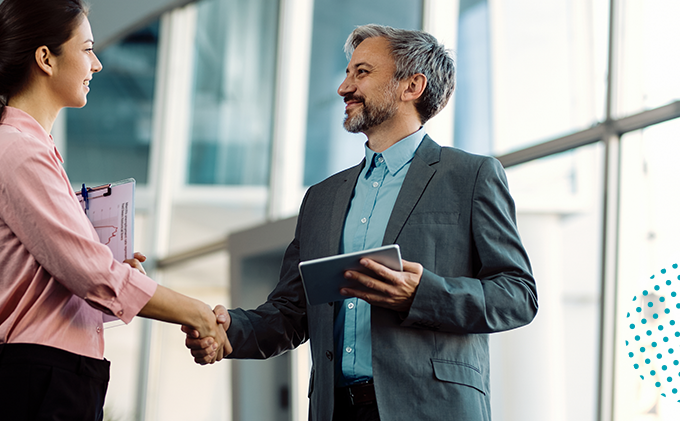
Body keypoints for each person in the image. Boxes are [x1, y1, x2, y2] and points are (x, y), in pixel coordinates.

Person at [185, 24, 538, 421]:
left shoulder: (470, 176)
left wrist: (422, 294)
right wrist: (230, 329)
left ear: (412, 86)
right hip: (336, 410)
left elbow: (518, 295)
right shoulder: (321, 198)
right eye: (348, 72)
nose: (343, 87)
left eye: (362, 73)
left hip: (432, 409)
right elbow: (291, 311)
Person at [0, 0, 229, 421]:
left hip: (48, 378)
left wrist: (116, 270)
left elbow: (77, 277)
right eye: (86, 49)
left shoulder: (26, 149)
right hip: (40, 382)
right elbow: (90, 273)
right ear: (45, 59)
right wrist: (195, 311)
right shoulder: (18, 152)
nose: (97, 64)